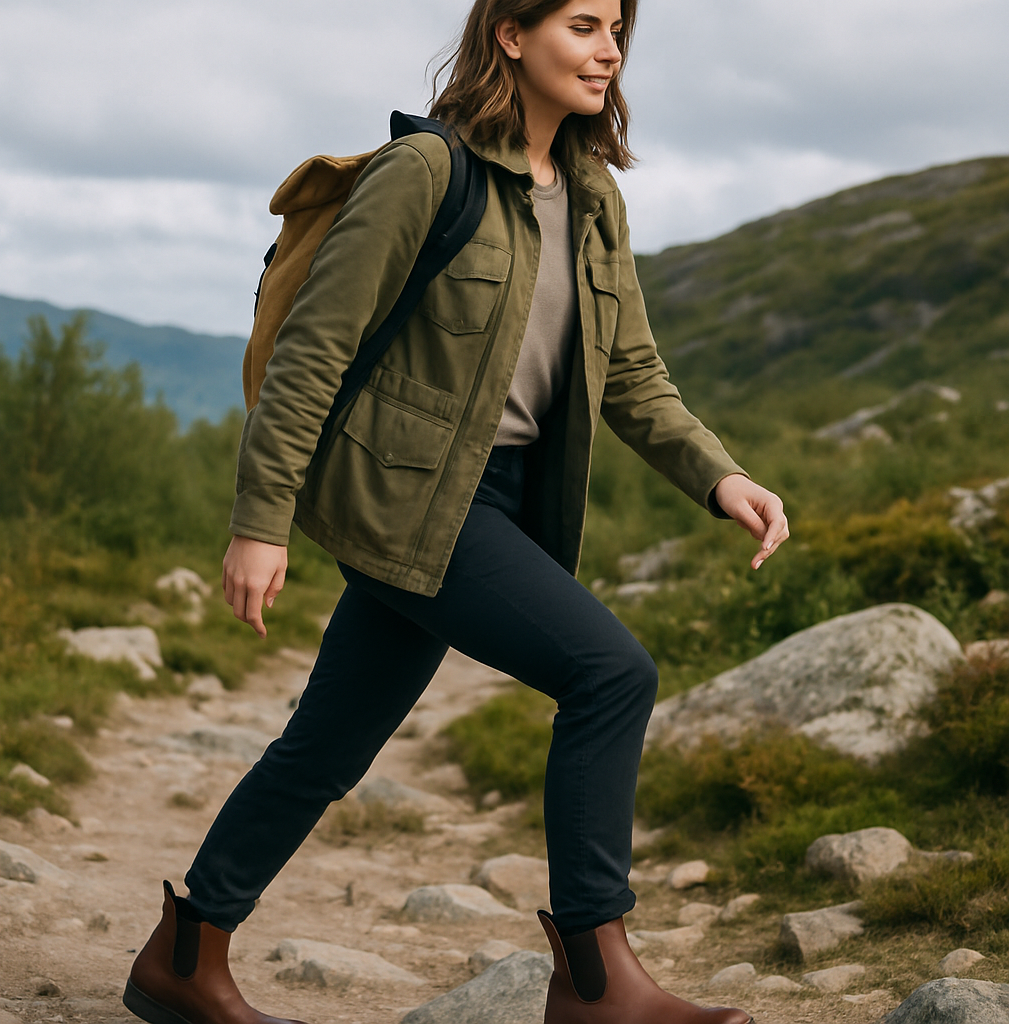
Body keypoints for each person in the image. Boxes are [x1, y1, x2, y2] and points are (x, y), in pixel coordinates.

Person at [124, 1, 788, 1022]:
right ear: (512, 36)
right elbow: (314, 349)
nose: (608, 47)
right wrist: (261, 521)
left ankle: (184, 954)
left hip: (511, 502)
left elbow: (632, 372)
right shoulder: (425, 174)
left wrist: (719, 474)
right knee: (611, 672)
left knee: (329, 741)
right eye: (581, 23)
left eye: (617, 27)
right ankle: (593, 978)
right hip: (413, 497)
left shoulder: (596, 197)